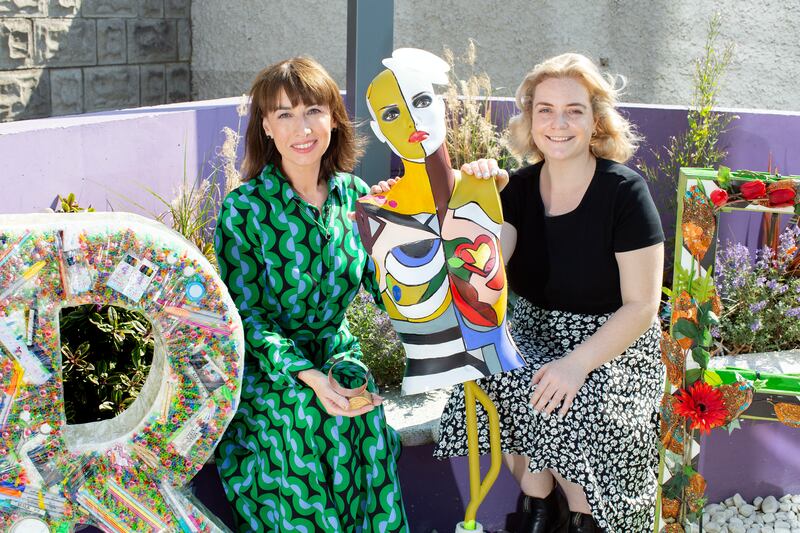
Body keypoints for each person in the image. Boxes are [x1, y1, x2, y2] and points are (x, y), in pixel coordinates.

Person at [432, 53, 665, 533]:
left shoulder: (625, 193)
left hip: (613, 345)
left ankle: (586, 519)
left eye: (574, 110)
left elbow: (641, 307)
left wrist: (576, 363)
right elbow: (483, 268)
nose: (558, 123)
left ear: (596, 119)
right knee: (493, 382)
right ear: (529, 118)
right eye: (545, 109)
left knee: (571, 404)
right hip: (534, 331)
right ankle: (540, 505)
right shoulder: (515, 189)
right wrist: (477, 200)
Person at [213, 57, 409, 533]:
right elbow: (246, 315)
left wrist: (400, 233)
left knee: (364, 423)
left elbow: (385, 290)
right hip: (269, 367)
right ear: (266, 127)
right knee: (295, 422)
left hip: (338, 352)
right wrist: (311, 379)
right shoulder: (245, 208)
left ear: (333, 117)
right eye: (284, 114)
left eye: (313, 111)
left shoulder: (355, 195)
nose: (301, 128)